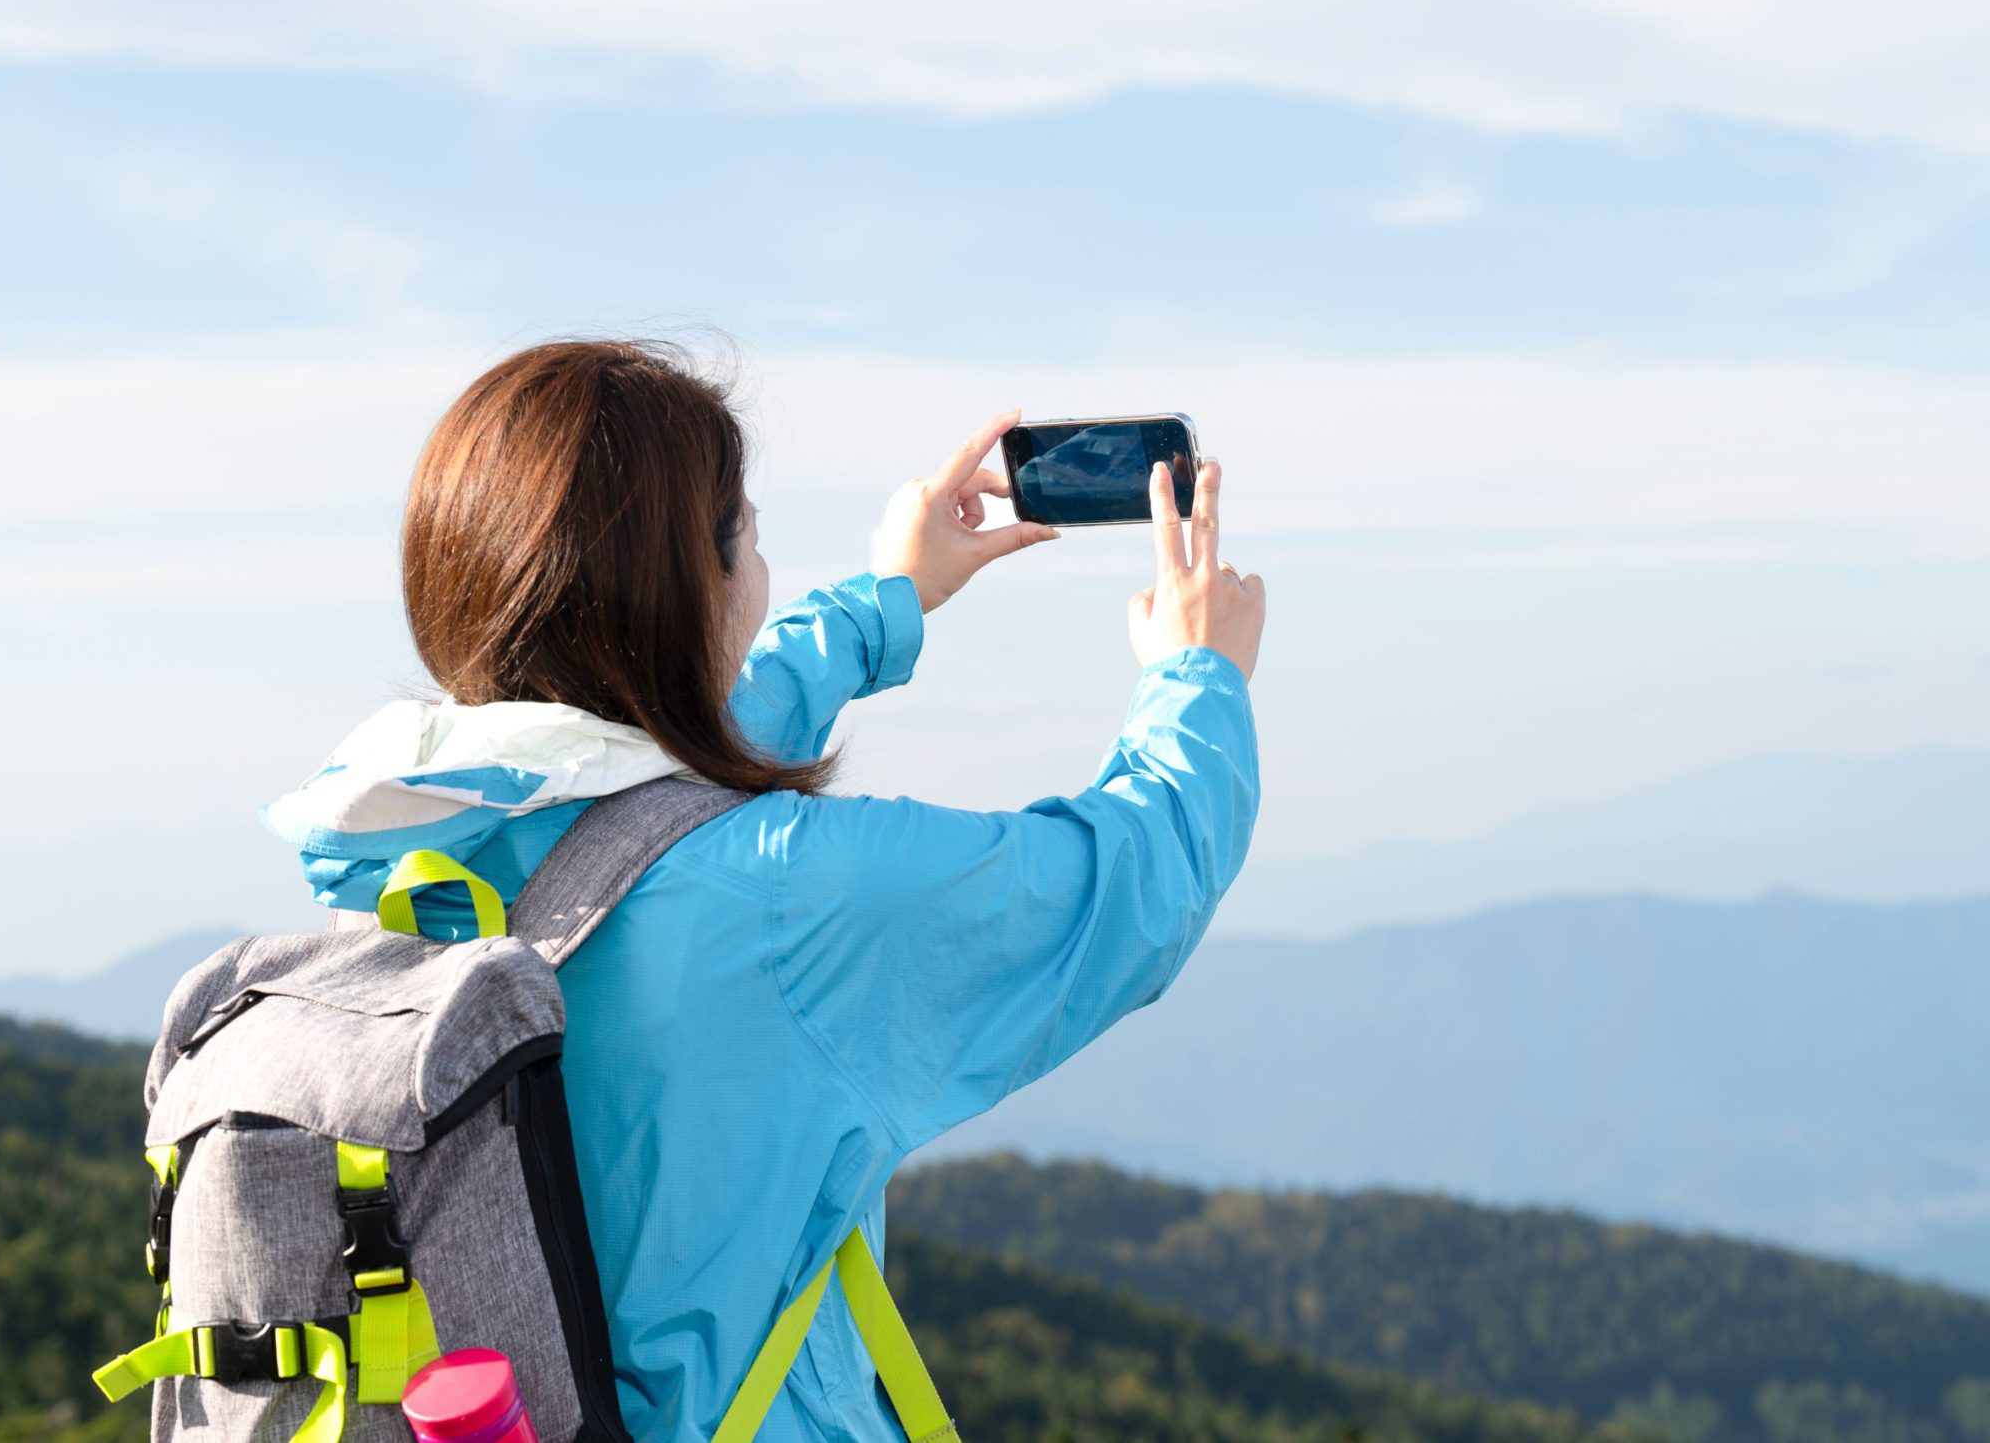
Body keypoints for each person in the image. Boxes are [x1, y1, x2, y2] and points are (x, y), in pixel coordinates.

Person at [261, 339, 1265, 1443]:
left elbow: (637, 777)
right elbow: (1131, 880)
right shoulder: (791, 901)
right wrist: (1196, 672)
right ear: (695, 579)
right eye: (745, 529)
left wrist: (891, 598)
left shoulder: (413, 857)